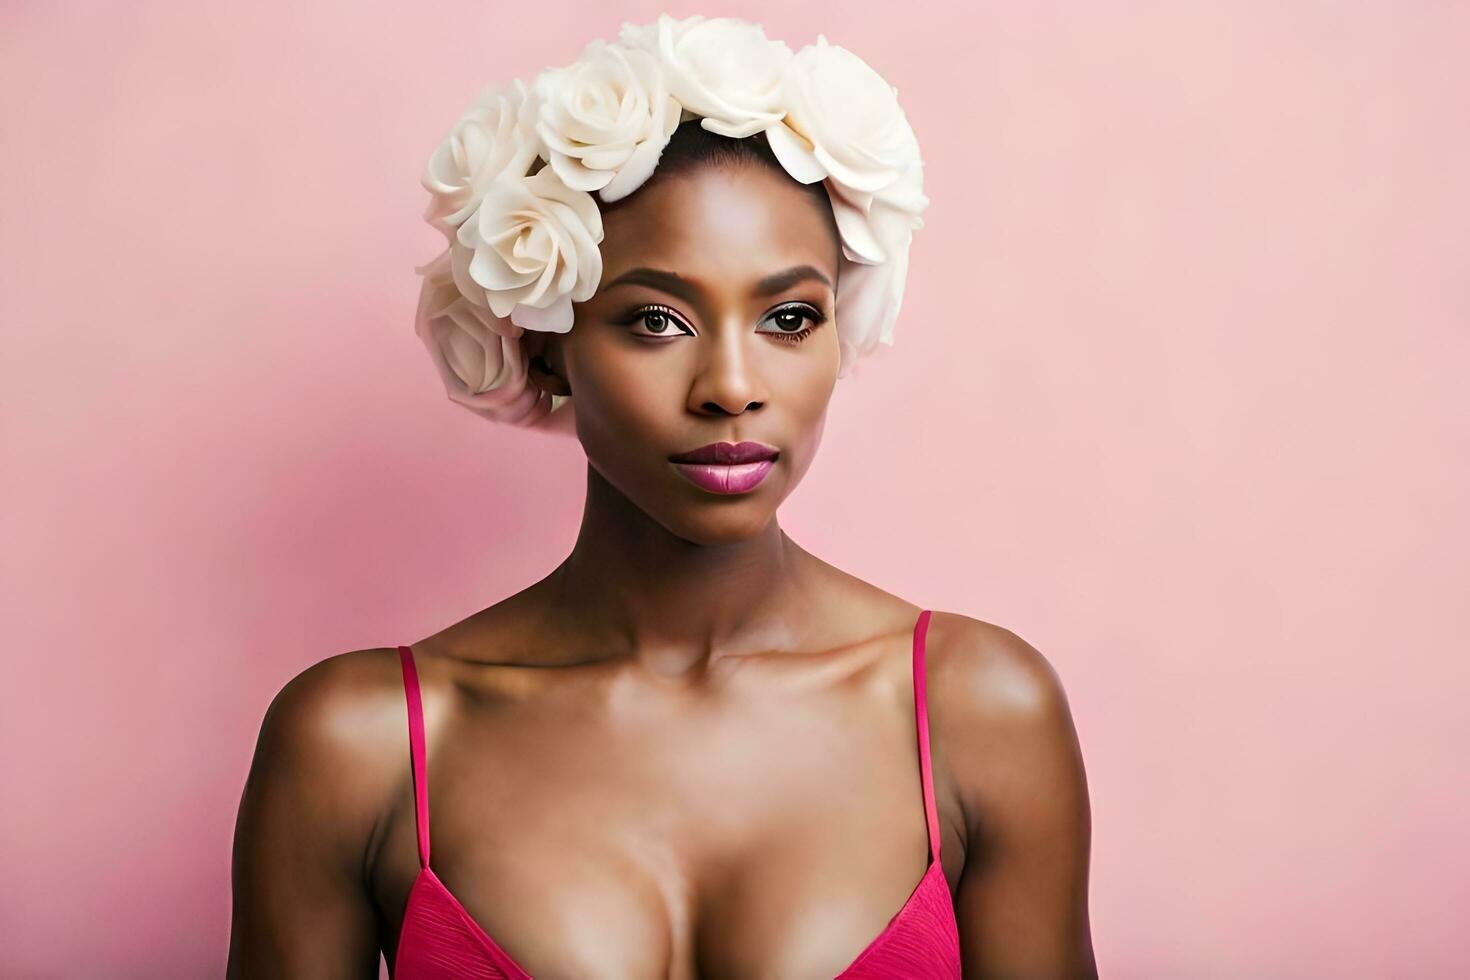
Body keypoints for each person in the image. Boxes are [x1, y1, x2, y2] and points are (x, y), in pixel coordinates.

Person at [228, 14, 1096, 978]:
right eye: (656, 319)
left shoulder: (977, 713)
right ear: (548, 342)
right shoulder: (361, 743)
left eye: (789, 317)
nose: (731, 383)